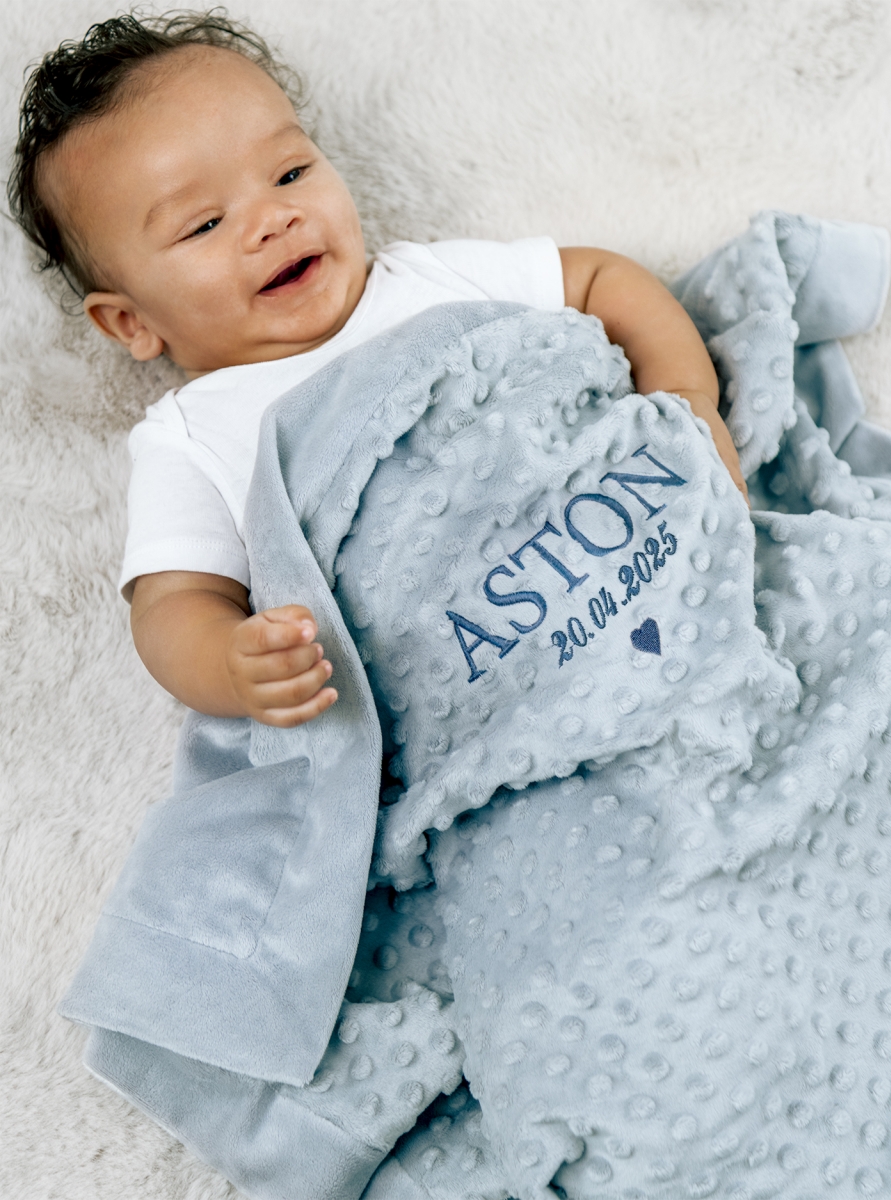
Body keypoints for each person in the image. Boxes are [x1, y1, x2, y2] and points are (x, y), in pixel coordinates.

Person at [9, 10, 747, 728]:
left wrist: (686, 396)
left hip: (627, 550)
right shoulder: (196, 435)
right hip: (487, 690)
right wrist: (232, 666)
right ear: (131, 323)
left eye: (290, 172)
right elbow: (172, 603)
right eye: (205, 223)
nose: (274, 218)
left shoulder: (428, 282)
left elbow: (599, 278)